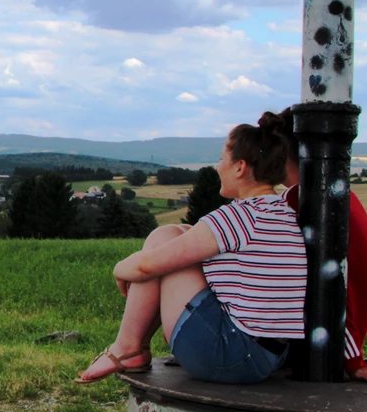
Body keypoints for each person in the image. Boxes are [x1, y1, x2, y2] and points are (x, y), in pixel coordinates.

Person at [77, 112, 305, 385]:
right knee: (177, 234)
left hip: (229, 355)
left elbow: (145, 266)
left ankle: (126, 347)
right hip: (269, 356)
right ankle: (133, 348)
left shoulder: (240, 217)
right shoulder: (281, 211)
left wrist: (118, 268)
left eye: (223, 159)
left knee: (163, 242)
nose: (218, 167)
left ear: (240, 167)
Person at [278, 108, 367, 386]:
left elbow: (333, 284)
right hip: (346, 337)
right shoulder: (339, 194)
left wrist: (351, 359)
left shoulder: (302, 201)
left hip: (331, 339)